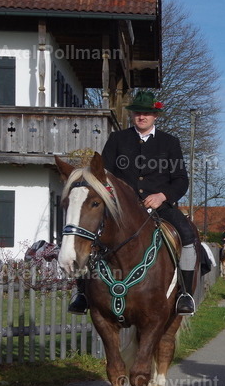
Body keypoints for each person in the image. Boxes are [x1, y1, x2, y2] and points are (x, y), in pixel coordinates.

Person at [68, 90, 209, 316]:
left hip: (160, 206)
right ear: (132, 116)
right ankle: (83, 293)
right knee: (91, 234)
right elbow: (104, 175)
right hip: (122, 210)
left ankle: (184, 294)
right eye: (137, 113)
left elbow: (181, 180)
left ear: (155, 116)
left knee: (188, 235)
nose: (141, 117)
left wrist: (162, 196)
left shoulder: (169, 143)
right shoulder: (117, 139)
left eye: (146, 113)